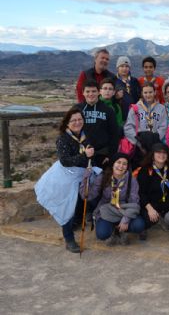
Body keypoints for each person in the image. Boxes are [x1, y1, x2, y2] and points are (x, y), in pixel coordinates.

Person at [35, 108, 96, 253]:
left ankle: (79, 221)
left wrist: (90, 156)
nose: (77, 122)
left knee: (83, 200)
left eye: (79, 119)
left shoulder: (85, 136)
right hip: (65, 176)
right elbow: (65, 161)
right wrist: (85, 156)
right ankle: (69, 239)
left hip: (80, 174)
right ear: (67, 123)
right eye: (73, 120)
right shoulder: (63, 138)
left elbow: (89, 154)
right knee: (67, 206)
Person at [83, 153, 146, 245]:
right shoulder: (103, 177)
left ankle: (123, 230)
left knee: (139, 225)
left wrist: (126, 219)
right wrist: (86, 178)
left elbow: (134, 201)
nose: (121, 166)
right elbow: (88, 196)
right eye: (118, 162)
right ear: (113, 163)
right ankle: (113, 231)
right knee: (102, 234)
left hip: (124, 209)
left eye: (124, 164)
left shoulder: (131, 179)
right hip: (107, 209)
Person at [136, 143, 169, 239]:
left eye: (164, 153)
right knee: (150, 220)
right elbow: (141, 193)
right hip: (149, 202)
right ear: (152, 155)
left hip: (164, 199)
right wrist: (150, 209)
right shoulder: (145, 170)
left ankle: (164, 216)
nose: (162, 155)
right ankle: (143, 225)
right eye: (158, 152)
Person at [75, 80, 119, 168]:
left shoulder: (108, 110)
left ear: (99, 92)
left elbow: (114, 134)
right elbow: (68, 131)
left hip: (102, 154)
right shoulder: (76, 109)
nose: (91, 94)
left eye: (93, 91)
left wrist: (110, 155)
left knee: (100, 181)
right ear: (83, 93)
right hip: (81, 153)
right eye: (87, 91)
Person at [123, 82, 169, 157]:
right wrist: (138, 143)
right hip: (138, 145)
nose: (148, 95)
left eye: (150, 92)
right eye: (145, 92)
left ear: (154, 92)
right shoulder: (135, 108)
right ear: (142, 93)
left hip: (155, 145)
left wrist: (154, 141)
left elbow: (163, 127)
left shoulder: (161, 108)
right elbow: (128, 127)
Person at [113, 56, 140, 121]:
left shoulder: (134, 81)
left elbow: (139, 95)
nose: (124, 68)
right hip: (120, 116)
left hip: (135, 115)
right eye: (122, 66)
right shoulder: (113, 81)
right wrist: (115, 98)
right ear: (117, 68)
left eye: (127, 66)